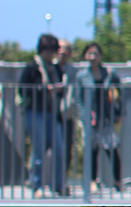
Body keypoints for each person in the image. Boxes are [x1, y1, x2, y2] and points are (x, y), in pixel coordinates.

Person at [18, 34, 69, 197]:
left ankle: (58, 185)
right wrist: (42, 90)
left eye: (52, 51)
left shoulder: (55, 68)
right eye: (47, 51)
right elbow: (22, 89)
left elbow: (60, 88)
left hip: (52, 113)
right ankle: (37, 185)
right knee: (38, 150)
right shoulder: (32, 67)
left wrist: (59, 89)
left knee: (60, 149)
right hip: (35, 112)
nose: (50, 54)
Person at [78, 43, 123, 192]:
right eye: (89, 54)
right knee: (93, 150)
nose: (92, 57)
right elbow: (79, 99)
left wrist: (118, 112)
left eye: (95, 54)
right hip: (91, 118)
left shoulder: (109, 73)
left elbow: (119, 93)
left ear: (100, 56)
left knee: (112, 149)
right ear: (85, 56)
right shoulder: (82, 75)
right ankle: (92, 181)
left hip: (107, 117)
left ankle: (118, 181)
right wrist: (85, 116)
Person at [56, 40, 80, 178]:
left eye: (66, 49)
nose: (62, 52)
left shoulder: (73, 72)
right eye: (59, 48)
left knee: (66, 148)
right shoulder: (49, 68)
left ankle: (61, 180)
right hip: (50, 113)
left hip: (67, 115)